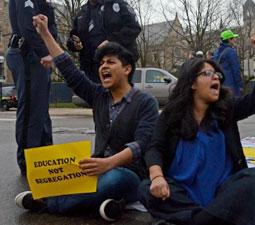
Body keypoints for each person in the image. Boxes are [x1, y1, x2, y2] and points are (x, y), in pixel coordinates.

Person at [15, 14, 158, 222]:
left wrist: (109, 163)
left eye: (110, 62)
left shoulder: (146, 102)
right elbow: (68, 69)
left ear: (127, 69)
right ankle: (111, 204)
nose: (103, 67)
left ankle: (48, 204)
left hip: (131, 173)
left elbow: (141, 144)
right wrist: (45, 34)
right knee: (66, 170)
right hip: (98, 167)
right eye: (101, 63)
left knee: (114, 178)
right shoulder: (98, 95)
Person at [138, 34, 255, 225]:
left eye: (217, 75)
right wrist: (158, 177)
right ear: (192, 83)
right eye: (208, 74)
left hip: (222, 193)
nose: (216, 77)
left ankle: (196, 220)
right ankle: (215, 218)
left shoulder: (227, 109)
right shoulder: (171, 114)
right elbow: (155, 148)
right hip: (180, 194)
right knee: (145, 187)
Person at [5, 0, 57, 176]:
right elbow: (28, 26)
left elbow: (51, 27)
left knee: (40, 110)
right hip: (27, 54)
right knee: (31, 109)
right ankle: (29, 162)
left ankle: (44, 156)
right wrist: (46, 52)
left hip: (37, 56)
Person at [67, 0, 141, 83]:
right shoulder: (82, 13)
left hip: (118, 62)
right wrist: (75, 43)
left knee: (118, 95)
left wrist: (111, 42)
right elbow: (72, 38)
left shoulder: (118, 5)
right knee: (95, 95)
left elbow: (134, 28)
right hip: (91, 68)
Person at [214, 30, 244, 96]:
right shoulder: (231, 52)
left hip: (220, 84)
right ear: (229, 40)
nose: (234, 40)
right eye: (233, 38)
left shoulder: (216, 53)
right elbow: (236, 70)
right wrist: (240, 84)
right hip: (231, 85)